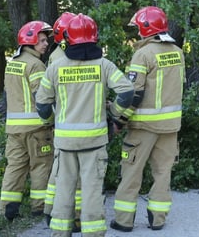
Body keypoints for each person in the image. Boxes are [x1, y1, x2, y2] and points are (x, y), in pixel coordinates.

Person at [36, 14, 135, 237]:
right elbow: (127, 92)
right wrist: (115, 113)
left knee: (64, 189)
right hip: (95, 141)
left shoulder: (55, 67)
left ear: (68, 39)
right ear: (95, 37)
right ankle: (93, 233)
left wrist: (51, 122)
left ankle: (61, 232)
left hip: (65, 142)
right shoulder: (104, 66)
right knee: (91, 190)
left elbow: (42, 105)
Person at [111, 6, 185, 232]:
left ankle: (124, 221)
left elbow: (134, 93)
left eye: (138, 29)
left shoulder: (143, 54)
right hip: (170, 126)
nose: (137, 34)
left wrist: (118, 120)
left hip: (143, 127)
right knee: (163, 173)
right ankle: (158, 219)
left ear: (146, 28)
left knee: (131, 172)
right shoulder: (177, 51)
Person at [0, 20, 55, 221]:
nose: (45, 44)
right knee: (40, 166)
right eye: (41, 41)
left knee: (15, 167)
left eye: (45, 40)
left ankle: (7, 210)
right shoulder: (36, 65)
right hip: (37, 129)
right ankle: (38, 208)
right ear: (29, 42)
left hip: (14, 129)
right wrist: (51, 120)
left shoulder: (12, 63)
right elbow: (42, 98)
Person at [42, 11, 81, 226]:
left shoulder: (55, 55)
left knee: (58, 169)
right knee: (73, 174)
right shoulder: (67, 57)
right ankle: (72, 216)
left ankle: (50, 210)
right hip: (72, 120)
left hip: (62, 119)